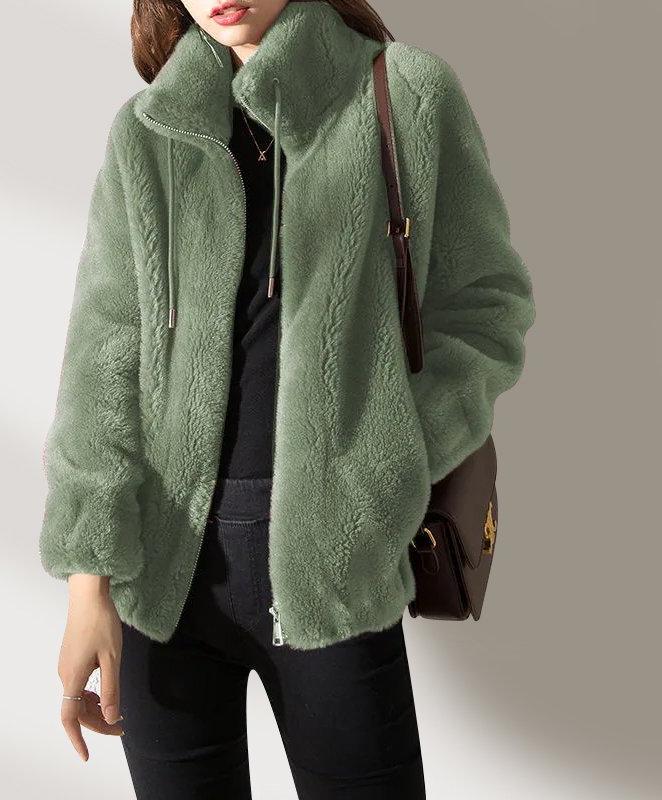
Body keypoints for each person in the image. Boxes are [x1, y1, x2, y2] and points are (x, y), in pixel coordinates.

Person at [38, 1, 536, 797]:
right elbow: (103, 364)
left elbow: (484, 307)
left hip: (334, 564)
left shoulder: (405, 91)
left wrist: (385, 464)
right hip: (163, 582)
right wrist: (87, 584)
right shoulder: (148, 131)